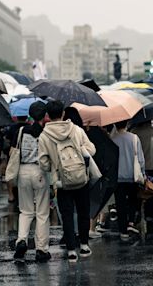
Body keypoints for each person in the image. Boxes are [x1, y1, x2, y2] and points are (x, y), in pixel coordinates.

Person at [39, 100, 96, 263]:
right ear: (63, 113)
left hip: (61, 182)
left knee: (67, 214)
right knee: (83, 211)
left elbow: (43, 162)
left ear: (48, 116)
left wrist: (54, 166)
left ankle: (71, 250)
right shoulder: (76, 130)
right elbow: (91, 150)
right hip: (80, 178)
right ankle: (84, 245)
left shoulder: (44, 135)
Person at [12, 102, 51, 263]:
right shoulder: (46, 133)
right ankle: (41, 249)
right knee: (42, 212)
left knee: (25, 211)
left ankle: (21, 240)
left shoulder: (21, 131)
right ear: (44, 116)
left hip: (22, 171)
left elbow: (14, 151)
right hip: (40, 172)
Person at [111, 120, 146, 241]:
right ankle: (131, 222)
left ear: (115, 125)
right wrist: (143, 173)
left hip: (118, 177)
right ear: (126, 124)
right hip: (132, 176)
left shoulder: (112, 139)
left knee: (120, 204)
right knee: (133, 200)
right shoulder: (134, 138)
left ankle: (123, 230)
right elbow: (140, 158)